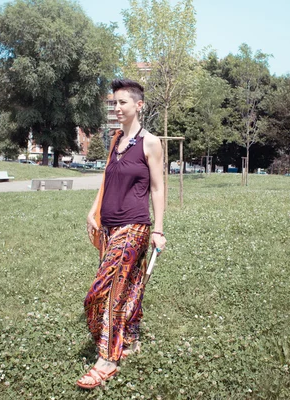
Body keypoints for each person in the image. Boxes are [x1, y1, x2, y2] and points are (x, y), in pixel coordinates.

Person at [76, 79, 167, 389]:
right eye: (113, 103)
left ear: (138, 106)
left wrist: (159, 229)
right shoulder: (115, 140)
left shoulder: (150, 143)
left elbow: (157, 187)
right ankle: (129, 337)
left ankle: (107, 359)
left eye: (122, 103)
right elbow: (108, 182)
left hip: (135, 226)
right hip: (110, 228)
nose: (116, 108)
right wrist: (93, 211)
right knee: (129, 286)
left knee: (102, 293)